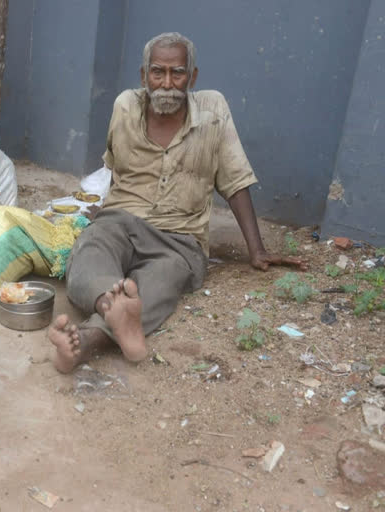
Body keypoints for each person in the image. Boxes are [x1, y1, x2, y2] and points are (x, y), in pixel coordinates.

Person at [47, 32, 305, 373]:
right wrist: (102, 211)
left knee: (159, 285)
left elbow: (235, 180)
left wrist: (255, 249)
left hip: (179, 240)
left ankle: (85, 344)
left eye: (177, 73)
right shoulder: (125, 106)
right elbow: (115, 165)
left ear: (192, 77)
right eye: (158, 72)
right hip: (121, 219)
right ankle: (113, 306)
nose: (167, 83)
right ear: (143, 76)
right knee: (89, 251)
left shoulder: (213, 110)